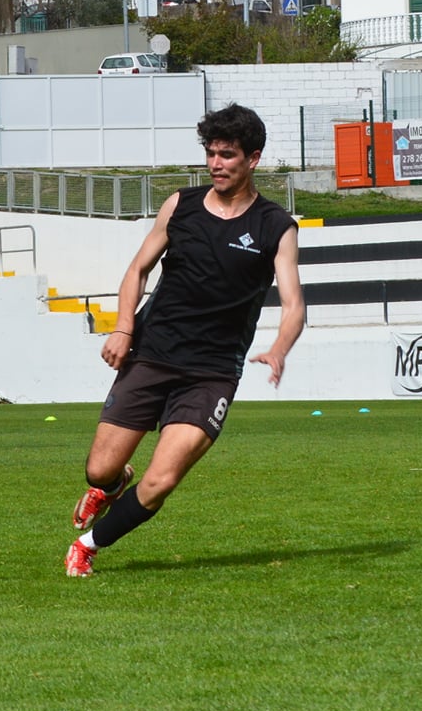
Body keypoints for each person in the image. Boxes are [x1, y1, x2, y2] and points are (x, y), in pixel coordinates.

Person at [65, 105, 305, 577]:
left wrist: (279, 349)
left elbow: (294, 304)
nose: (216, 163)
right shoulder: (181, 205)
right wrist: (123, 327)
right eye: (211, 154)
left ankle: (88, 546)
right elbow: (137, 269)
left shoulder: (276, 225)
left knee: (161, 480)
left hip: (212, 373)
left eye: (227, 155)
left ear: (253, 159)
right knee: (99, 471)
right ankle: (111, 487)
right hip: (152, 354)